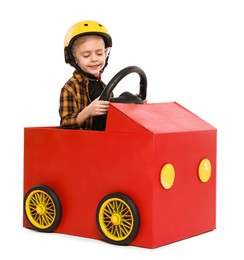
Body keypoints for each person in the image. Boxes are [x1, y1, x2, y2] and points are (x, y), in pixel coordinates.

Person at [59, 20, 113, 130]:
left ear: (106, 53)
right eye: (86, 55)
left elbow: (113, 120)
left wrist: (130, 104)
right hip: (81, 144)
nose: (94, 59)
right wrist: (87, 112)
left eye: (99, 53)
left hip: (104, 143)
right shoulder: (70, 88)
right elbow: (65, 123)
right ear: (74, 58)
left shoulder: (107, 89)